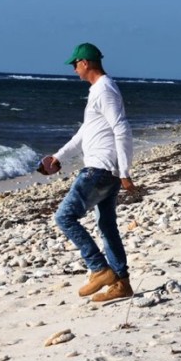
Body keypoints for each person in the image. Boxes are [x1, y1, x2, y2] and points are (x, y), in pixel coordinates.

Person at [45, 42, 136, 303]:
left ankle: (99, 269)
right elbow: (84, 133)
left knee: (64, 217)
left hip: (100, 169)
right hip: (107, 169)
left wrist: (124, 171)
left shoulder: (105, 89)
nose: (74, 70)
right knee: (106, 226)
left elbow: (122, 129)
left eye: (75, 64)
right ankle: (122, 284)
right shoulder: (98, 90)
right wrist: (58, 157)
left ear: (85, 63)